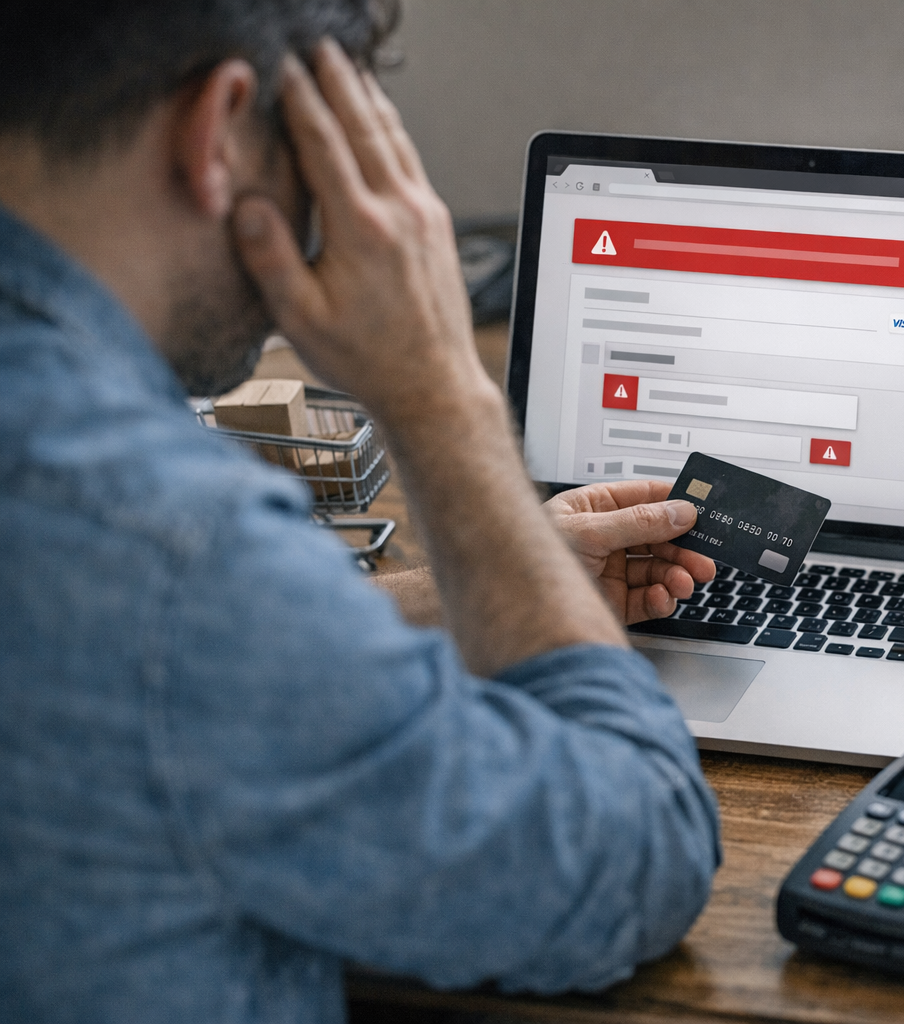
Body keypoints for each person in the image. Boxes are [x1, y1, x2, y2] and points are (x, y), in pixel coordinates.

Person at [0, 3, 722, 1021]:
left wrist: (478, 585)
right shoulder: (177, 554)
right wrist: (440, 391)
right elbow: (635, 853)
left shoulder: (150, 566)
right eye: (312, 158)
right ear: (220, 131)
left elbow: (129, 658)